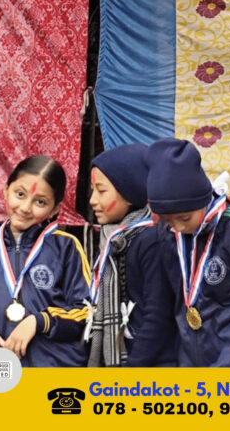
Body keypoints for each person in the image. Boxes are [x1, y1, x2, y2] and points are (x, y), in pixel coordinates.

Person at [145, 138, 230, 367]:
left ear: (202, 200)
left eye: (184, 218)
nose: (178, 227)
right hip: (192, 360)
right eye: (168, 221)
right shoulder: (167, 234)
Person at [0, 155, 90, 366]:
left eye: (40, 202)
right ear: (6, 190)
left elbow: (86, 311)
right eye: (20, 194)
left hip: (55, 371)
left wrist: (39, 321)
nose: (25, 207)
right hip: (2, 372)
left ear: (55, 209)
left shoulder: (66, 247)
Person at [86, 144, 177, 366]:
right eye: (92, 190)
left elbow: (157, 315)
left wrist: (133, 369)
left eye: (101, 191)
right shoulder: (112, 241)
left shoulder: (151, 241)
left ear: (129, 194)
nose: (92, 200)